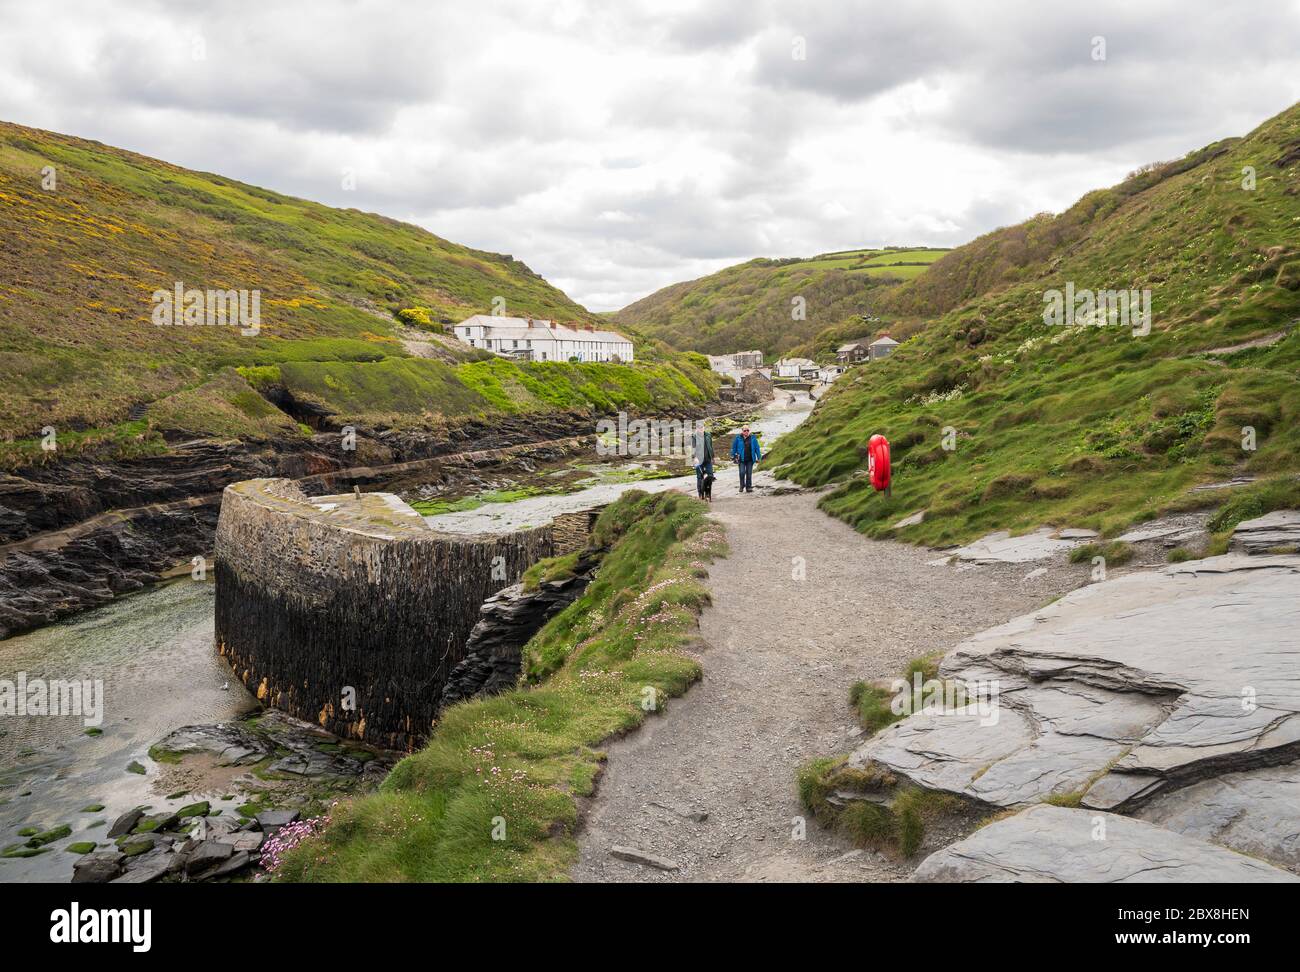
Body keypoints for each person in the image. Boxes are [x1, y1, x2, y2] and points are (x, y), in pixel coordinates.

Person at [730, 425, 761, 493]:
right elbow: (733, 447)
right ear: (742, 431)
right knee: (742, 472)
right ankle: (742, 485)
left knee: (749, 474)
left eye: (747, 430)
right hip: (741, 459)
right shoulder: (738, 438)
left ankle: (748, 487)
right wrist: (732, 455)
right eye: (745, 430)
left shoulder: (753, 438)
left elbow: (757, 448)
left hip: (750, 459)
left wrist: (759, 457)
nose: (746, 432)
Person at [691, 427, 714, 501]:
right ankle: (700, 494)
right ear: (697, 429)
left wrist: (712, 457)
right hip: (699, 460)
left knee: (710, 476)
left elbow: (710, 446)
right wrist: (694, 458)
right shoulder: (694, 437)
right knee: (700, 477)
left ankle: (707, 493)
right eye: (699, 428)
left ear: (704, 428)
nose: (701, 429)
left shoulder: (708, 435)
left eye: (702, 427)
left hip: (708, 459)